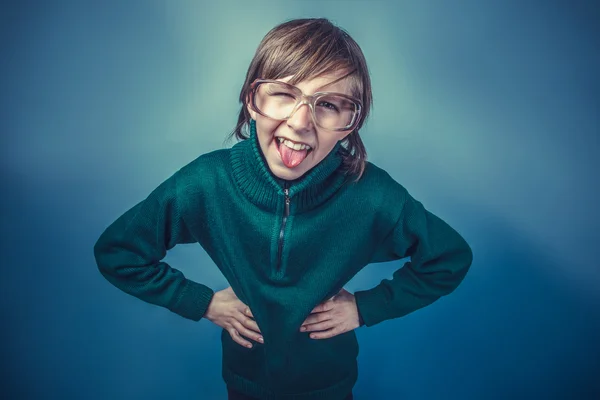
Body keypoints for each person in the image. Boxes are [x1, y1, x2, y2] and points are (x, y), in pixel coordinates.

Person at [93, 18, 473, 400]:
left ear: (350, 124)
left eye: (328, 104)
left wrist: (365, 307)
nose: (300, 121)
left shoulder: (373, 195)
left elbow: (448, 257)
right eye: (284, 94)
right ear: (251, 100)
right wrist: (202, 302)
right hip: (244, 383)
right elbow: (119, 252)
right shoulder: (206, 182)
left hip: (329, 386)